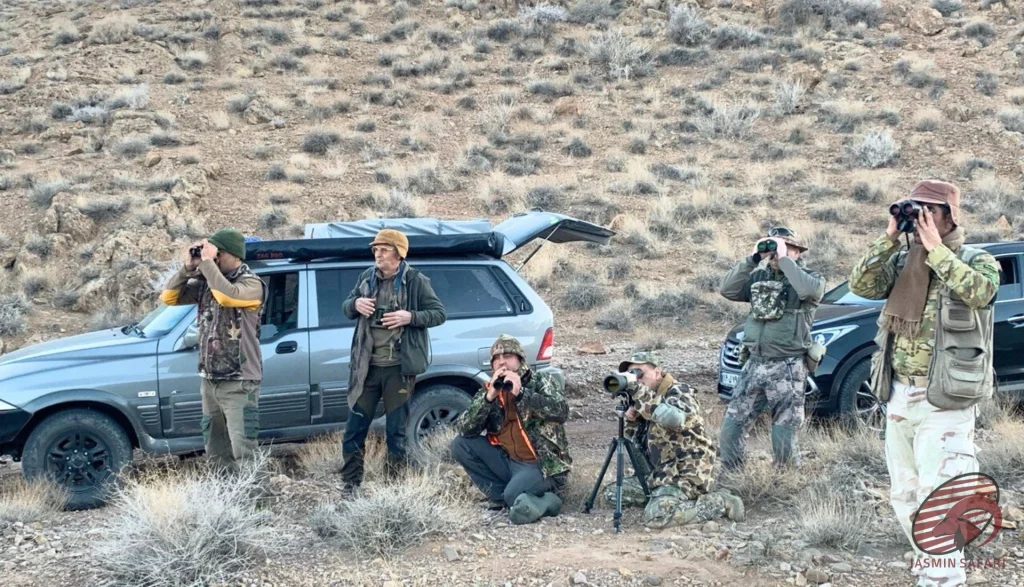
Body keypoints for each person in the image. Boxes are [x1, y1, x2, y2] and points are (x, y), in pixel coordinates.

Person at [848, 180, 999, 587]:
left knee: (940, 496)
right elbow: (860, 285)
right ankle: (933, 572)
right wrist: (891, 236)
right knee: (905, 495)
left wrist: (936, 249)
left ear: (951, 215)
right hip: (899, 393)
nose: (922, 218)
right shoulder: (904, 262)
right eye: (917, 210)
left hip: (945, 399)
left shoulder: (975, 259)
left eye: (930, 210)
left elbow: (979, 293)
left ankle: (944, 579)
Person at [339, 229, 446, 497]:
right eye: (375, 249)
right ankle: (351, 486)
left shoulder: (416, 281)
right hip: (367, 368)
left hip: (398, 369)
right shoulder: (366, 278)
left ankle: (394, 488)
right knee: (354, 429)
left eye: (384, 249)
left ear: (399, 253)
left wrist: (409, 317)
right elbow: (345, 307)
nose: (378, 253)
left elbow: (439, 314)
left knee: (395, 433)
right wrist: (355, 304)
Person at [718, 227, 825, 469]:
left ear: (797, 251)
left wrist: (785, 260)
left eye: (785, 247)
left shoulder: (810, 278)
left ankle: (785, 478)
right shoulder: (759, 278)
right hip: (754, 362)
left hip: (787, 365)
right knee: (734, 420)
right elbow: (727, 289)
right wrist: (754, 258)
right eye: (774, 247)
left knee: (784, 426)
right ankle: (733, 472)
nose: (776, 253)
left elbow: (809, 291)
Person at [160, 228, 267, 471]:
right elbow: (169, 297)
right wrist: (187, 269)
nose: (214, 258)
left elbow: (227, 297)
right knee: (216, 451)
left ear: (235, 255)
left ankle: (258, 503)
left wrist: (208, 264)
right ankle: (227, 501)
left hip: (239, 381)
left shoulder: (251, 283)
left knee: (244, 451)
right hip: (210, 381)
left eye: (218, 254)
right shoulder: (208, 283)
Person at [602, 351, 744, 528]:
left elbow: (674, 420)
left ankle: (721, 502)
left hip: (685, 471)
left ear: (657, 372)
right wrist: (632, 420)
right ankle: (663, 497)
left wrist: (641, 395)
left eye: (640, 373)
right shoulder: (643, 400)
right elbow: (636, 448)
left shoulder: (679, 392)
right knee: (612, 494)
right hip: (660, 473)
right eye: (632, 374)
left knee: (657, 517)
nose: (636, 379)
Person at [451, 335, 572, 525]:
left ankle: (548, 499)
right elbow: (466, 430)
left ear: (519, 359)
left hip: (543, 465)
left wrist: (522, 394)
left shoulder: (540, 381)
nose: (502, 362)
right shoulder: (490, 389)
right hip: (510, 461)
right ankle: (504, 497)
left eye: (507, 356)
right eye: (496, 358)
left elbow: (561, 412)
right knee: (460, 444)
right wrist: (488, 399)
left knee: (513, 494)